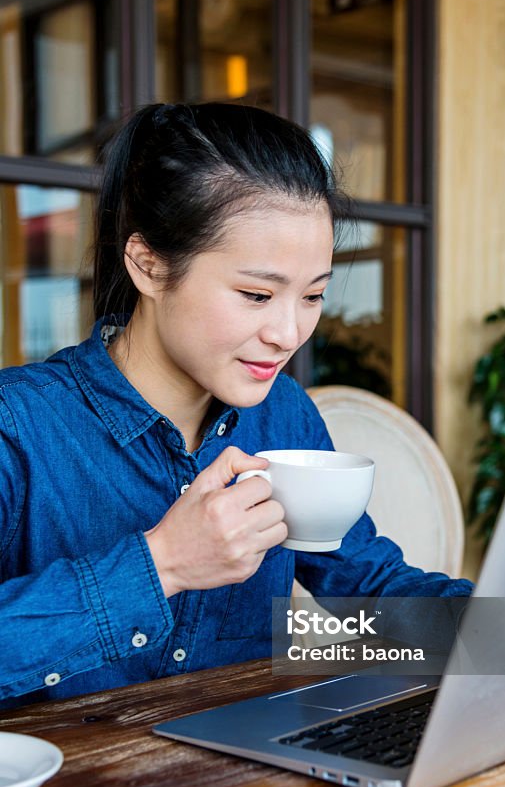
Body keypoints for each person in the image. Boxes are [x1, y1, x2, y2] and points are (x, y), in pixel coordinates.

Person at [0, 102, 472, 710]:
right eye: (256, 294)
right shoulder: (19, 426)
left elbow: (368, 595)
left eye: (313, 295)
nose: (288, 332)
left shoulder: (285, 415)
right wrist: (162, 563)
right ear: (147, 264)